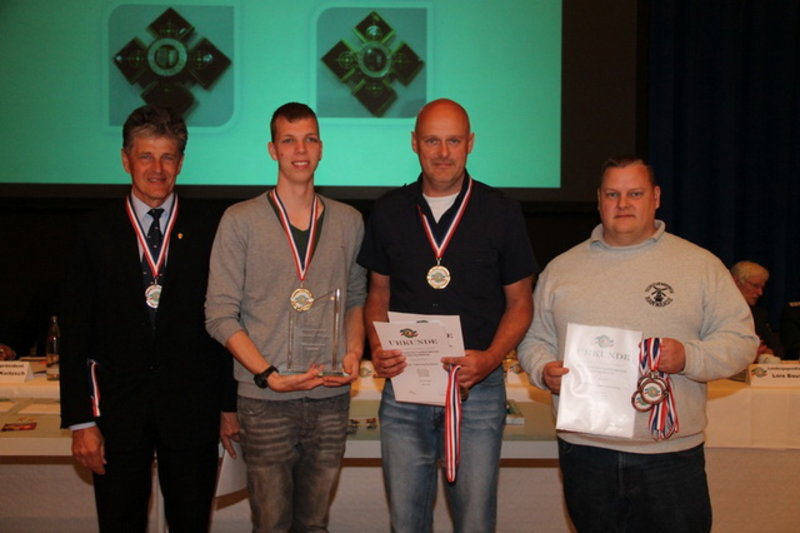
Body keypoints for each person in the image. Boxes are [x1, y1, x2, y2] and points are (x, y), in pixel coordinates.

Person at [517, 156, 758, 533]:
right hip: (586, 451)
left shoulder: (700, 265)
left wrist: (688, 356)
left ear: (656, 197)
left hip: (668, 455)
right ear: (599, 199)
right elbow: (534, 340)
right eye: (612, 194)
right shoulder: (561, 269)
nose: (623, 203)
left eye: (635, 193)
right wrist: (542, 369)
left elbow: (742, 341)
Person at [358, 98, 537, 533]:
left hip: (476, 389)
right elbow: (377, 294)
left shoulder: (501, 212)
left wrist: (490, 359)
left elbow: (521, 303)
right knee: (406, 522)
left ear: (470, 143)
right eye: (432, 141)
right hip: (405, 388)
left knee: (475, 522)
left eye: (453, 141)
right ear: (414, 143)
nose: (442, 152)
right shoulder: (389, 210)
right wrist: (379, 348)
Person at [59, 105, 232, 532]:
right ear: (125, 160)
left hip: (192, 412)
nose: (157, 169)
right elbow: (75, 331)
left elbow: (228, 320)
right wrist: (81, 421)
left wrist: (230, 406)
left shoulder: (213, 228)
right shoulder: (92, 231)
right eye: (146, 156)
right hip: (117, 415)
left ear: (181, 162)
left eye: (168, 156)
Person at [205, 102, 366, 533]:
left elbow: (356, 297)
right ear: (272, 149)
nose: (300, 150)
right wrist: (267, 375)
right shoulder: (239, 221)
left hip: (330, 396)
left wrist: (353, 350)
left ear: (321, 148)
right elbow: (218, 314)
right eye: (289, 140)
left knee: (314, 524)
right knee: (271, 525)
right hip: (265, 402)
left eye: (310, 139)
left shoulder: (349, 221)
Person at [730, 260, 784, 359]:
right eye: (755, 286)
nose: (760, 293)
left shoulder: (758, 314)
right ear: (735, 282)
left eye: (762, 287)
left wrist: (765, 352)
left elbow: (778, 350)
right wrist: (747, 354)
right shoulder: (715, 312)